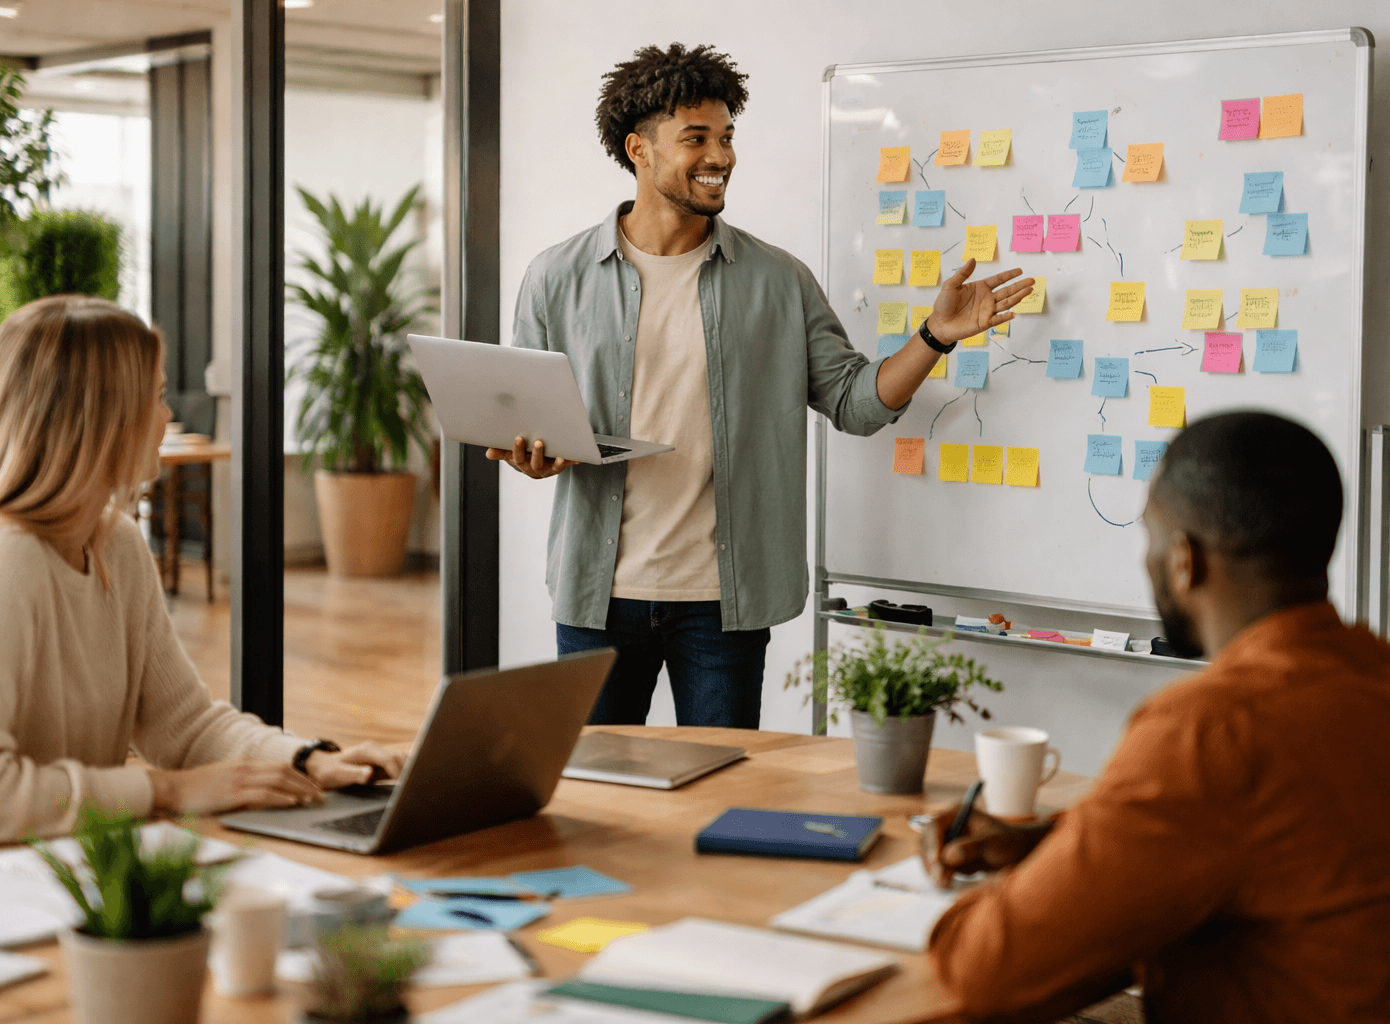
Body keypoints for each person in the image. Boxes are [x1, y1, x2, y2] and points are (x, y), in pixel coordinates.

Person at [490, 43, 1033, 728]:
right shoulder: (556, 276)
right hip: (597, 596)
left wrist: (933, 336)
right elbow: (535, 424)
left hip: (724, 602)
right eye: (697, 138)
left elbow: (856, 406)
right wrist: (532, 457)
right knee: (597, 796)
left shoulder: (778, 281)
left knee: (721, 792)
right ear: (640, 150)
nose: (721, 156)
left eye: (726, 137)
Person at [0, 296, 403, 854]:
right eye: (157, 398)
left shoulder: (114, 541)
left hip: (40, 871)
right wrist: (163, 791)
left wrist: (311, 761)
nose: (167, 418)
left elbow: (183, 727)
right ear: (93, 420)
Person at [921, 411, 1390, 1023]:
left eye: (1150, 537)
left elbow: (984, 967)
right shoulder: (1371, 672)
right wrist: (1055, 845)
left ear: (1183, 559)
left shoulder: (1212, 730)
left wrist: (968, 902)